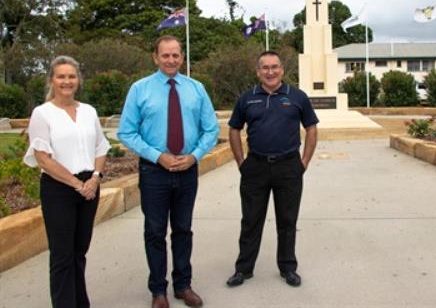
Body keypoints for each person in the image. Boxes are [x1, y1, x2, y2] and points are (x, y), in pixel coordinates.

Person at [118, 35, 219, 308]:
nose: (171, 60)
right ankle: (158, 291)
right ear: (155, 57)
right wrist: (157, 156)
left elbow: (211, 129)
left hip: (187, 171)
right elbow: (126, 131)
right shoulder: (140, 89)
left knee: (183, 229)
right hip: (155, 173)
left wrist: (195, 156)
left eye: (176, 55)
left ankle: (183, 285)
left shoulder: (196, 89)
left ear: (182, 57)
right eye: (165, 55)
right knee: (154, 231)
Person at [226, 51, 318, 288]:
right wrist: (241, 162)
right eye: (265, 68)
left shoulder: (297, 97)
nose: (270, 72)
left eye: (274, 67)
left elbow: (311, 128)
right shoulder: (247, 98)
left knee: (287, 221)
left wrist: (304, 161)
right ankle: (243, 269)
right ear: (258, 72)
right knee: (251, 220)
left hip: (288, 167)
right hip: (255, 167)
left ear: (282, 70)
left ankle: (288, 268)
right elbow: (234, 129)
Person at [24, 55, 110, 308]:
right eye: (61, 76)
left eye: (71, 76)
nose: (66, 81)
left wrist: (94, 178)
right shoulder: (42, 113)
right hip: (59, 188)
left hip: (89, 186)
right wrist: (75, 183)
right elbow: (43, 158)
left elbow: (101, 147)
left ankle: (80, 303)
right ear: (51, 79)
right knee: (62, 256)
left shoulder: (88, 111)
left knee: (79, 251)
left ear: (78, 80)